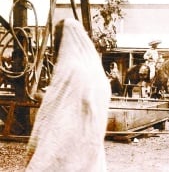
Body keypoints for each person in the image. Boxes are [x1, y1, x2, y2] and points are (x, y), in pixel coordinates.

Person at [26, 18, 111, 171]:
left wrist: (43, 97)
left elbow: (58, 106)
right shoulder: (94, 70)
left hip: (66, 138)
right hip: (89, 140)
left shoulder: (69, 67)